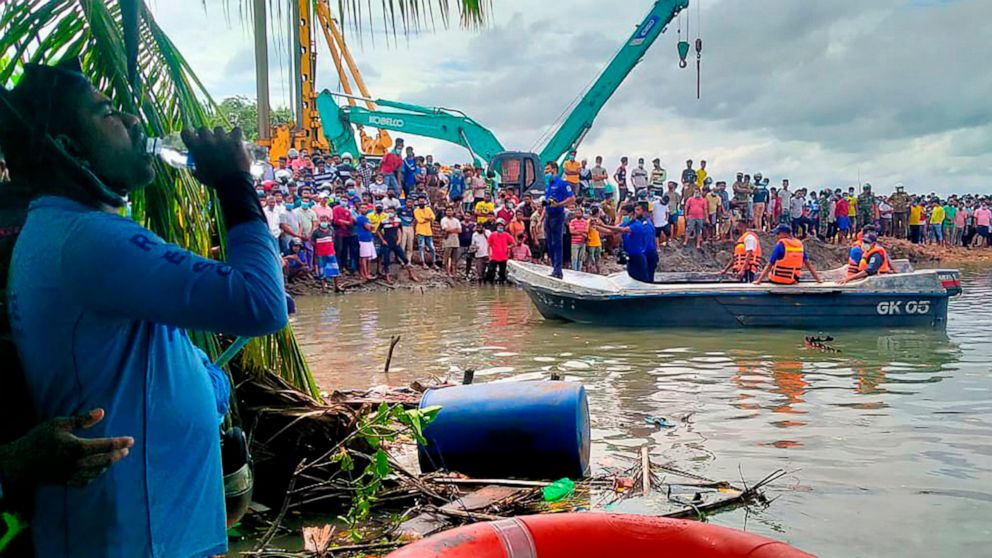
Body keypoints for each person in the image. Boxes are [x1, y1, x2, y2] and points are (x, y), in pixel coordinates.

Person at [0, 59, 287, 557]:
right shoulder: (88, 240)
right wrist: (236, 186)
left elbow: (139, 356)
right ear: (69, 148)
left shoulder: (69, 233)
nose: (134, 120)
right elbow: (262, 303)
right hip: (131, 535)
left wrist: (204, 385)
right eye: (107, 112)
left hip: (152, 527)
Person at [754, 224, 823, 285]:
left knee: (770, 274)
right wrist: (818, 279)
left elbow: (770, 264)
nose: (777, 236)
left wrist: (758, 281)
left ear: (784, 233)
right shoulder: (799, 245)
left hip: (777, 280)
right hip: (793, 280)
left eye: (778, 233)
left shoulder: (781, 245)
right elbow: (808, 264)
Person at [543, 162, 575, 279]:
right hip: (548, 215)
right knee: (549, 243)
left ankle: (558, 270)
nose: (545, 172)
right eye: (545, 170)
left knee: (557, 243)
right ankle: (553, 268)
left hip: (557, 215)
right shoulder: (548, 184)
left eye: (547, 170)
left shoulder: (562, 183)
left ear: (554, 170)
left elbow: (572, 198)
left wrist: (559, 204)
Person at [377, 206, 419, 284]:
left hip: (395, 242)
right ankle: (387, 277)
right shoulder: (383, 221)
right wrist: (382, 240)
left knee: (404, 258)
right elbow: (378, 231)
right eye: (389, 211)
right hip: (386, 242)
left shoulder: (398, 221)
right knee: (386, 260)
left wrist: (399, 239)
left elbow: (399, 230)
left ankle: (411, 274)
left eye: (392, 211)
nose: (390, 213)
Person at [311, 216, 341, 291]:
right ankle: (323, 288)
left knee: (335, 269)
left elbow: (333, 240)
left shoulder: (331, 230)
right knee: (322, 271)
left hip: (331, 253)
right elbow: (312, 242)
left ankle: (336, 286)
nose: (323, 222)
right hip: (320, 254)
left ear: (328, 221)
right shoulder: (316, 232)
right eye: (322, 220)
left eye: (325, 220)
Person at [486, 219, 514, 283]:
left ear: (503, 226)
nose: (500, 226)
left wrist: (508, 247)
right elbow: (488, 245)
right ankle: (490, 286)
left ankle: (501, 284)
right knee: (491, 272)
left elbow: (513, 243)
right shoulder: (492, 235)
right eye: (498, 225)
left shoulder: (506, 235)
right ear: (496, 226)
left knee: (502, 273)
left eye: (501, 225)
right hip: (494, 257)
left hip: (503, 257)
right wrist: (489, 255)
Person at [355, 203, 377, 280]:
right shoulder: (361, 218)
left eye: (365, 208)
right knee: (364, 257)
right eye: (362, 208)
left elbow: (371, 228)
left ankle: (366, 273)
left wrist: (371, 227)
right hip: (363, 239)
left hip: (368, 239)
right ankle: (365, 274)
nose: (364, 209)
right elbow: (369, 228)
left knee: (368, 257)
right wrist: (371, 227)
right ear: (359, 209)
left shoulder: (366, 218)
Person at [413, 196, 437, 268]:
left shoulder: (428, 209)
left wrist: (427, 218)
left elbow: (433, 217)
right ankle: (423, 263)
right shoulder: (416, 210)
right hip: (420, 231)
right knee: (421, 246)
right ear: (418, 202)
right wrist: (428, 219)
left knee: (432, 247)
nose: (422, 203)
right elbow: (420, 220)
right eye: (420, 202)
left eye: (423, 201)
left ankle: (434, 263)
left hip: (428, 231)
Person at [440, 206, 462, 277]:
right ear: (445, 212)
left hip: (455, 241)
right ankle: (448, 272)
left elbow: (460, 230)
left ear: (453, 211)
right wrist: (455, 229)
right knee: (446, 257)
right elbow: (446, 229)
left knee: (454, 258)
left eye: (450, 210)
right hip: (447, 241)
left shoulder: (456, 220)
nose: (449, 212)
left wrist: (451, 230)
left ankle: (454, 272)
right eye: (448, 210)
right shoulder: (444, 220)